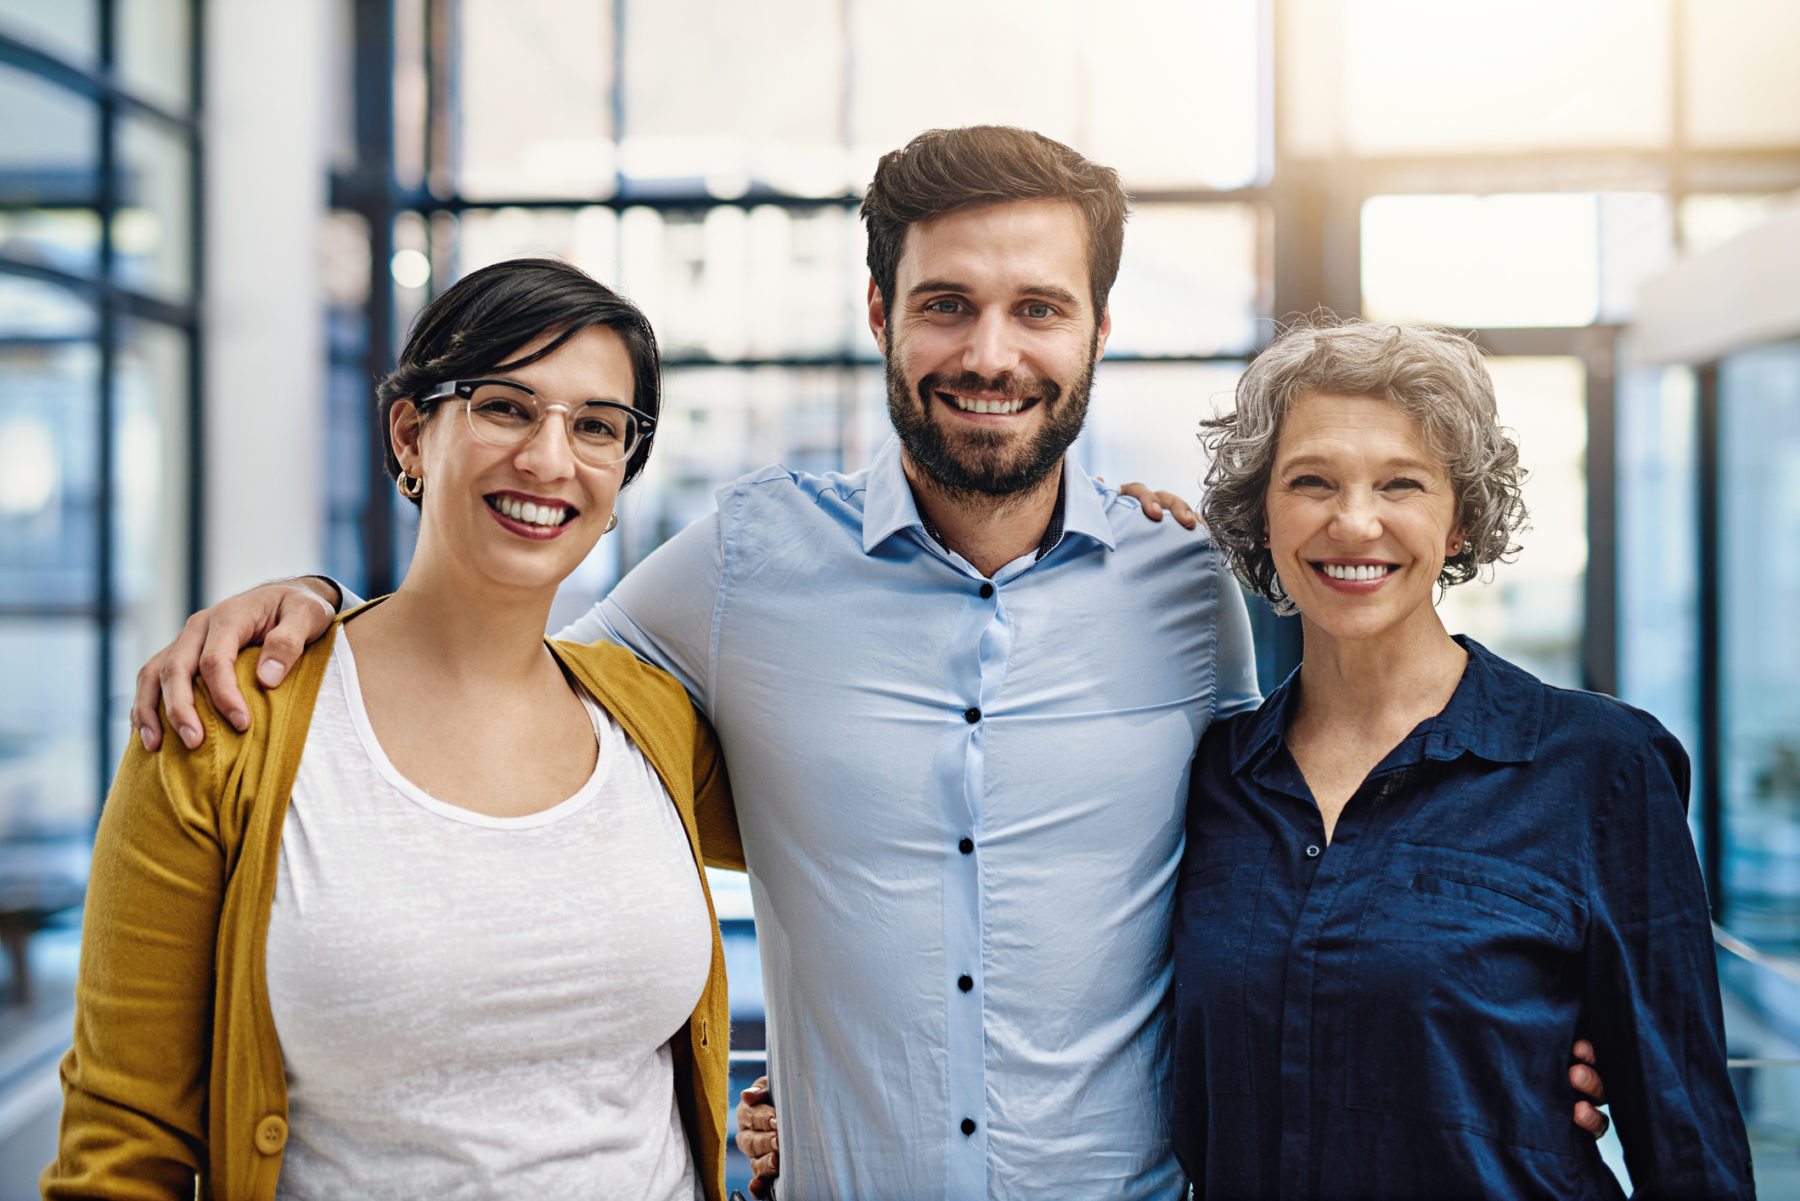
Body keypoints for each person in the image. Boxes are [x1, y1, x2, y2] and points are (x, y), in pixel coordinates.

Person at [127, 128, 1604, 1200]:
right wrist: (313, 603)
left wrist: (1510, 1017)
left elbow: (1281, 867)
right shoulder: (741, 562)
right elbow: (500, 674)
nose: (992, 350)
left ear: (1096, 331)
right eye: (947, 303)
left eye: (1037, 309)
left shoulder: (1186, 587)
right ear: (882, 318)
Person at [46, 260, 744, 1200]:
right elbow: (121, 1144)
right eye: (505, 406)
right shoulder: (226, 724)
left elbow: (884, 869)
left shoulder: (653, 716)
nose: (548, 458)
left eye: (595, 426)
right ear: (412, 431)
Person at [1170, 319, 1754, 1198]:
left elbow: (1688, 1142)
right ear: (1263, 514)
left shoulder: (1598, 768)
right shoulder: (1214, 776)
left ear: (1460, 522)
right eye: (1312, 481)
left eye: (1400, 483)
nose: (1354, 520)